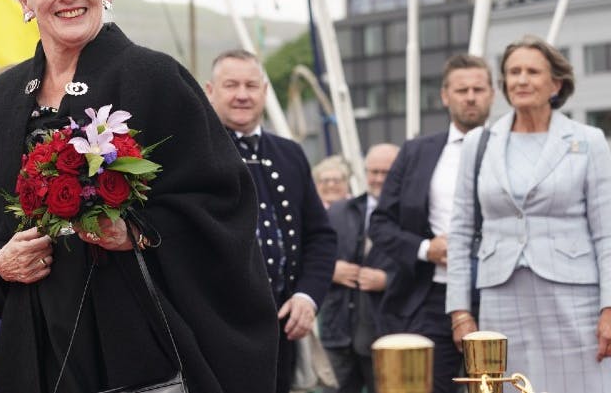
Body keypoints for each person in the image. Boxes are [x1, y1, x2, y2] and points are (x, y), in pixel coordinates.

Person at [0, 0, 278, 393]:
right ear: (24, 0)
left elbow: (224, 200)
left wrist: (137, 232)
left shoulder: (154, 77)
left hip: (136, 336)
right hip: (36, 339)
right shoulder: (3, 97)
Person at [448, 36, 611, 390]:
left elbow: (607, 233)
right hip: (501, 298)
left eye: (532, 71)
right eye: (513, 72)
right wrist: (459, 312)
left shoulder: (588, 141)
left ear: (556, 83)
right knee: (506, 386)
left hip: (576, 301)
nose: (521, 80)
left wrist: (609, 309)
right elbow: (460, 233)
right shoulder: (480, 143)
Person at [206, 49, 336, 393]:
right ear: (209, 91)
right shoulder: (194, 152)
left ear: (264, 91)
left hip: (283, 331)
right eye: (231, 85)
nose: (242, 94)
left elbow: (320, 237)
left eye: (251, 85)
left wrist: (307, 297)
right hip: (217, 334)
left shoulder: (290, 153)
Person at [369, 53, 493, 393]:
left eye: (478, 89)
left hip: (498, 293)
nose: (470, 96)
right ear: (445, 96)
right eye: (461, 89)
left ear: (492, 94)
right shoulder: (415, 152)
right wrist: (426, 249)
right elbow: (380, 224)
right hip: (429, 297)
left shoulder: (508, 149)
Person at [320, 144, 398, 393]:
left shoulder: (415, 215)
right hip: (339, 333)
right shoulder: (340, 211)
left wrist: (388, 280)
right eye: (373, 172)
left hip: (385, 336)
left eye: (386, 172)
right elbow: (311, 257)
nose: (378, 179)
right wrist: (330, 270)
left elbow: (426, 271)